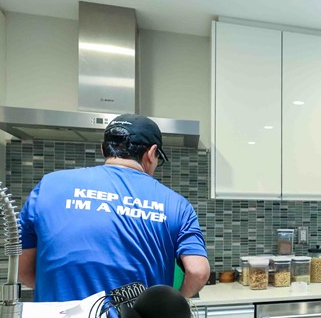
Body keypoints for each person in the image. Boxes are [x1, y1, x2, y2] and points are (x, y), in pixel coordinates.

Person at [19, 114, 211, 302]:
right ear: (152, 153)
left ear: (104, 149)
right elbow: (198, 271)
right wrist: (174, 302)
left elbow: (22, 270)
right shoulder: (176, 205)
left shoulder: (49, 186)